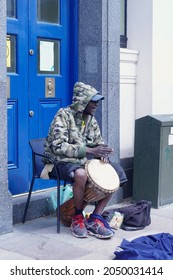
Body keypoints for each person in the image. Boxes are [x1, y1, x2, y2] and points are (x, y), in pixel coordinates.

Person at [43, 82, 127, 239]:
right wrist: (90, 151)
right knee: (81, 175)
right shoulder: (63, 115)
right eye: (93, 101)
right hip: (58, 161)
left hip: (81, 161)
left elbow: (97, 142)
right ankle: (77, 217)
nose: (96, 104)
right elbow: (58, 146)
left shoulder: (91, 119)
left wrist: (102, 152)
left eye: (97, 101)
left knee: (114, 173)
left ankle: (95, 218)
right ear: (82, 101)